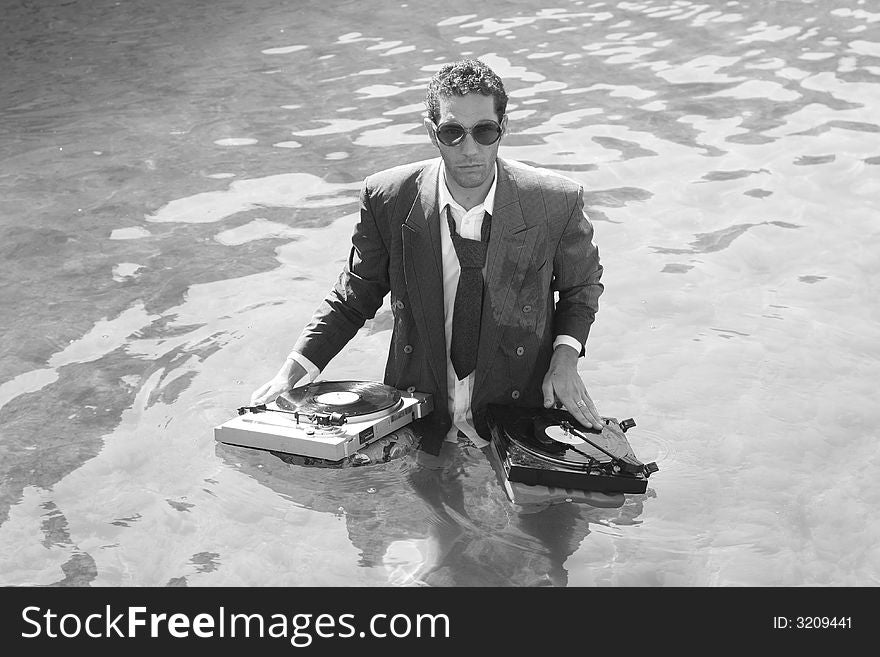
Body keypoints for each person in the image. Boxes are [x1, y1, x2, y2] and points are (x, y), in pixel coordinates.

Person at [251, 58, 604, 458]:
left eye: (485, 131)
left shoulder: (555, 201)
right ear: (431, 131)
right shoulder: (387, 197)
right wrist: (290, 375)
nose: (470, 150)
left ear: (504, 128)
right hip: (417, 409)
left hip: (517, 409)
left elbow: (580, 288)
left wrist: (565, 358)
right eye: (453, 133)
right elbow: (353, 298)